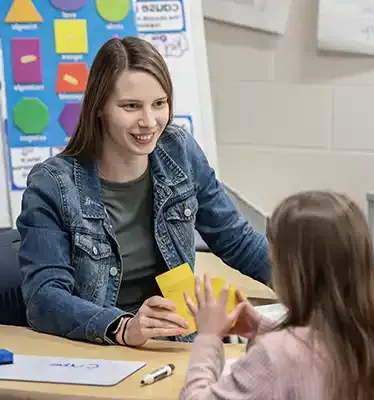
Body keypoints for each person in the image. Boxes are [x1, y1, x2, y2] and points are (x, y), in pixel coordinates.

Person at [16, 36, 270, 347]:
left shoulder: (179, 151)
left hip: (174, 345)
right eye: (131, 106)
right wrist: (122, 327)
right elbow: (44, 298)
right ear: (99, 108)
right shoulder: (53, 185)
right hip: (96, 348)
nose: (149, 122)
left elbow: (237, 239)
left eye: (159, 104)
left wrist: (310, 287)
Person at [180, 191, 374, 400]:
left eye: (274, 262)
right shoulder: (365, 338)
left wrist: (208, 337)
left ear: (293, 274)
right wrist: (262, 328)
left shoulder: (275, 355)